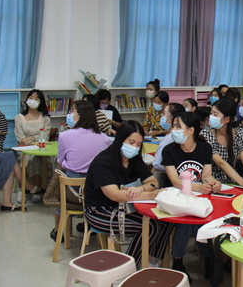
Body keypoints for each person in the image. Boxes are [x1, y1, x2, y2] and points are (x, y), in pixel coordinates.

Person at [84, 120, 173, 267]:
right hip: (100, 211)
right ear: (120, 139)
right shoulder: (103, 162)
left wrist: (142, 188)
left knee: (165, 220)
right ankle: (127, 267)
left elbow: (153, 182)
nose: (134, 148)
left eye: (138, 145)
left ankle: (152, 259)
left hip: (126, 207)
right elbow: (114, 195)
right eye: (131, 142)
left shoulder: (133, 159)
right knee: (151, 226)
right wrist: (151, 195)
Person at [162, 112, 221, 276]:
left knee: (200, 217)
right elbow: (175, 181)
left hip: (197, 196)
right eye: (173, 126)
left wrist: (212, 183)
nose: (173, 130)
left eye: (177, 126)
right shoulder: (169, 150)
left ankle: (206, 258)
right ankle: (180, 261)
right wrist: (198, 187)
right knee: (186, 220)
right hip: (176, 197)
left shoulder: (205, 148)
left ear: (190, 130)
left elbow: (206, 174)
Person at [51, 100, 112, 240]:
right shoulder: (104, 138)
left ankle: (58, 231)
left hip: (73, 191)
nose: (69, 115)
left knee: (59, 192)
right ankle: (91, 224)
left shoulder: (65, 136)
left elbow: (60, 164)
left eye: (71, 111)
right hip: (97, 191)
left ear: (81, 115)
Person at [201, 99, 243, 188]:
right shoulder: (205, 135)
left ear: (227, 119)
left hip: (233, 181)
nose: (211, 117)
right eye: (211, 113)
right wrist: (242, 182)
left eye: (215, 115)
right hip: (214, 183)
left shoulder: (239, 133)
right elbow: (220, 162)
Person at [15, 89, 51, 201]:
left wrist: (30, 138)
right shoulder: (19, 117)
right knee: (27, 158)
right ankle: (22, 190)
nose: (33, 100)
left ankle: (36, 189)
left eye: (36, 99)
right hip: (23, 149)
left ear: (41, 102)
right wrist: (35, 137)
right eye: (30, 98)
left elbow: (45, 137)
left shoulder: (45, 118)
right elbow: (20, 139)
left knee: (36, 159)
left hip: (40, 149)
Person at [150, 103, 185, 180]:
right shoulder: (183, 135)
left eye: (165, 114)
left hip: (165, 178)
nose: (162, 117)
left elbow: (158, 165)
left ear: (172, 118)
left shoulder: (168, 139)